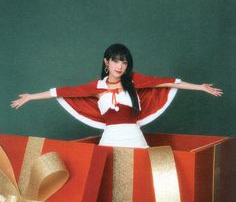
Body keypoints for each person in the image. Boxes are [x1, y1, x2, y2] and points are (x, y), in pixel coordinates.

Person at [11, 43, 223, 148]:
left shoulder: (134, 81)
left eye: (124, 62)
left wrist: (200, 87)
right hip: (110, 139)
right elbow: (64, 91)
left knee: (143, 180)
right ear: (106, 62)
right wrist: (30, 96)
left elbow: (165, 81)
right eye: (115, 61)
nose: (120, 66)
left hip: (135, 137)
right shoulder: (97, 86)